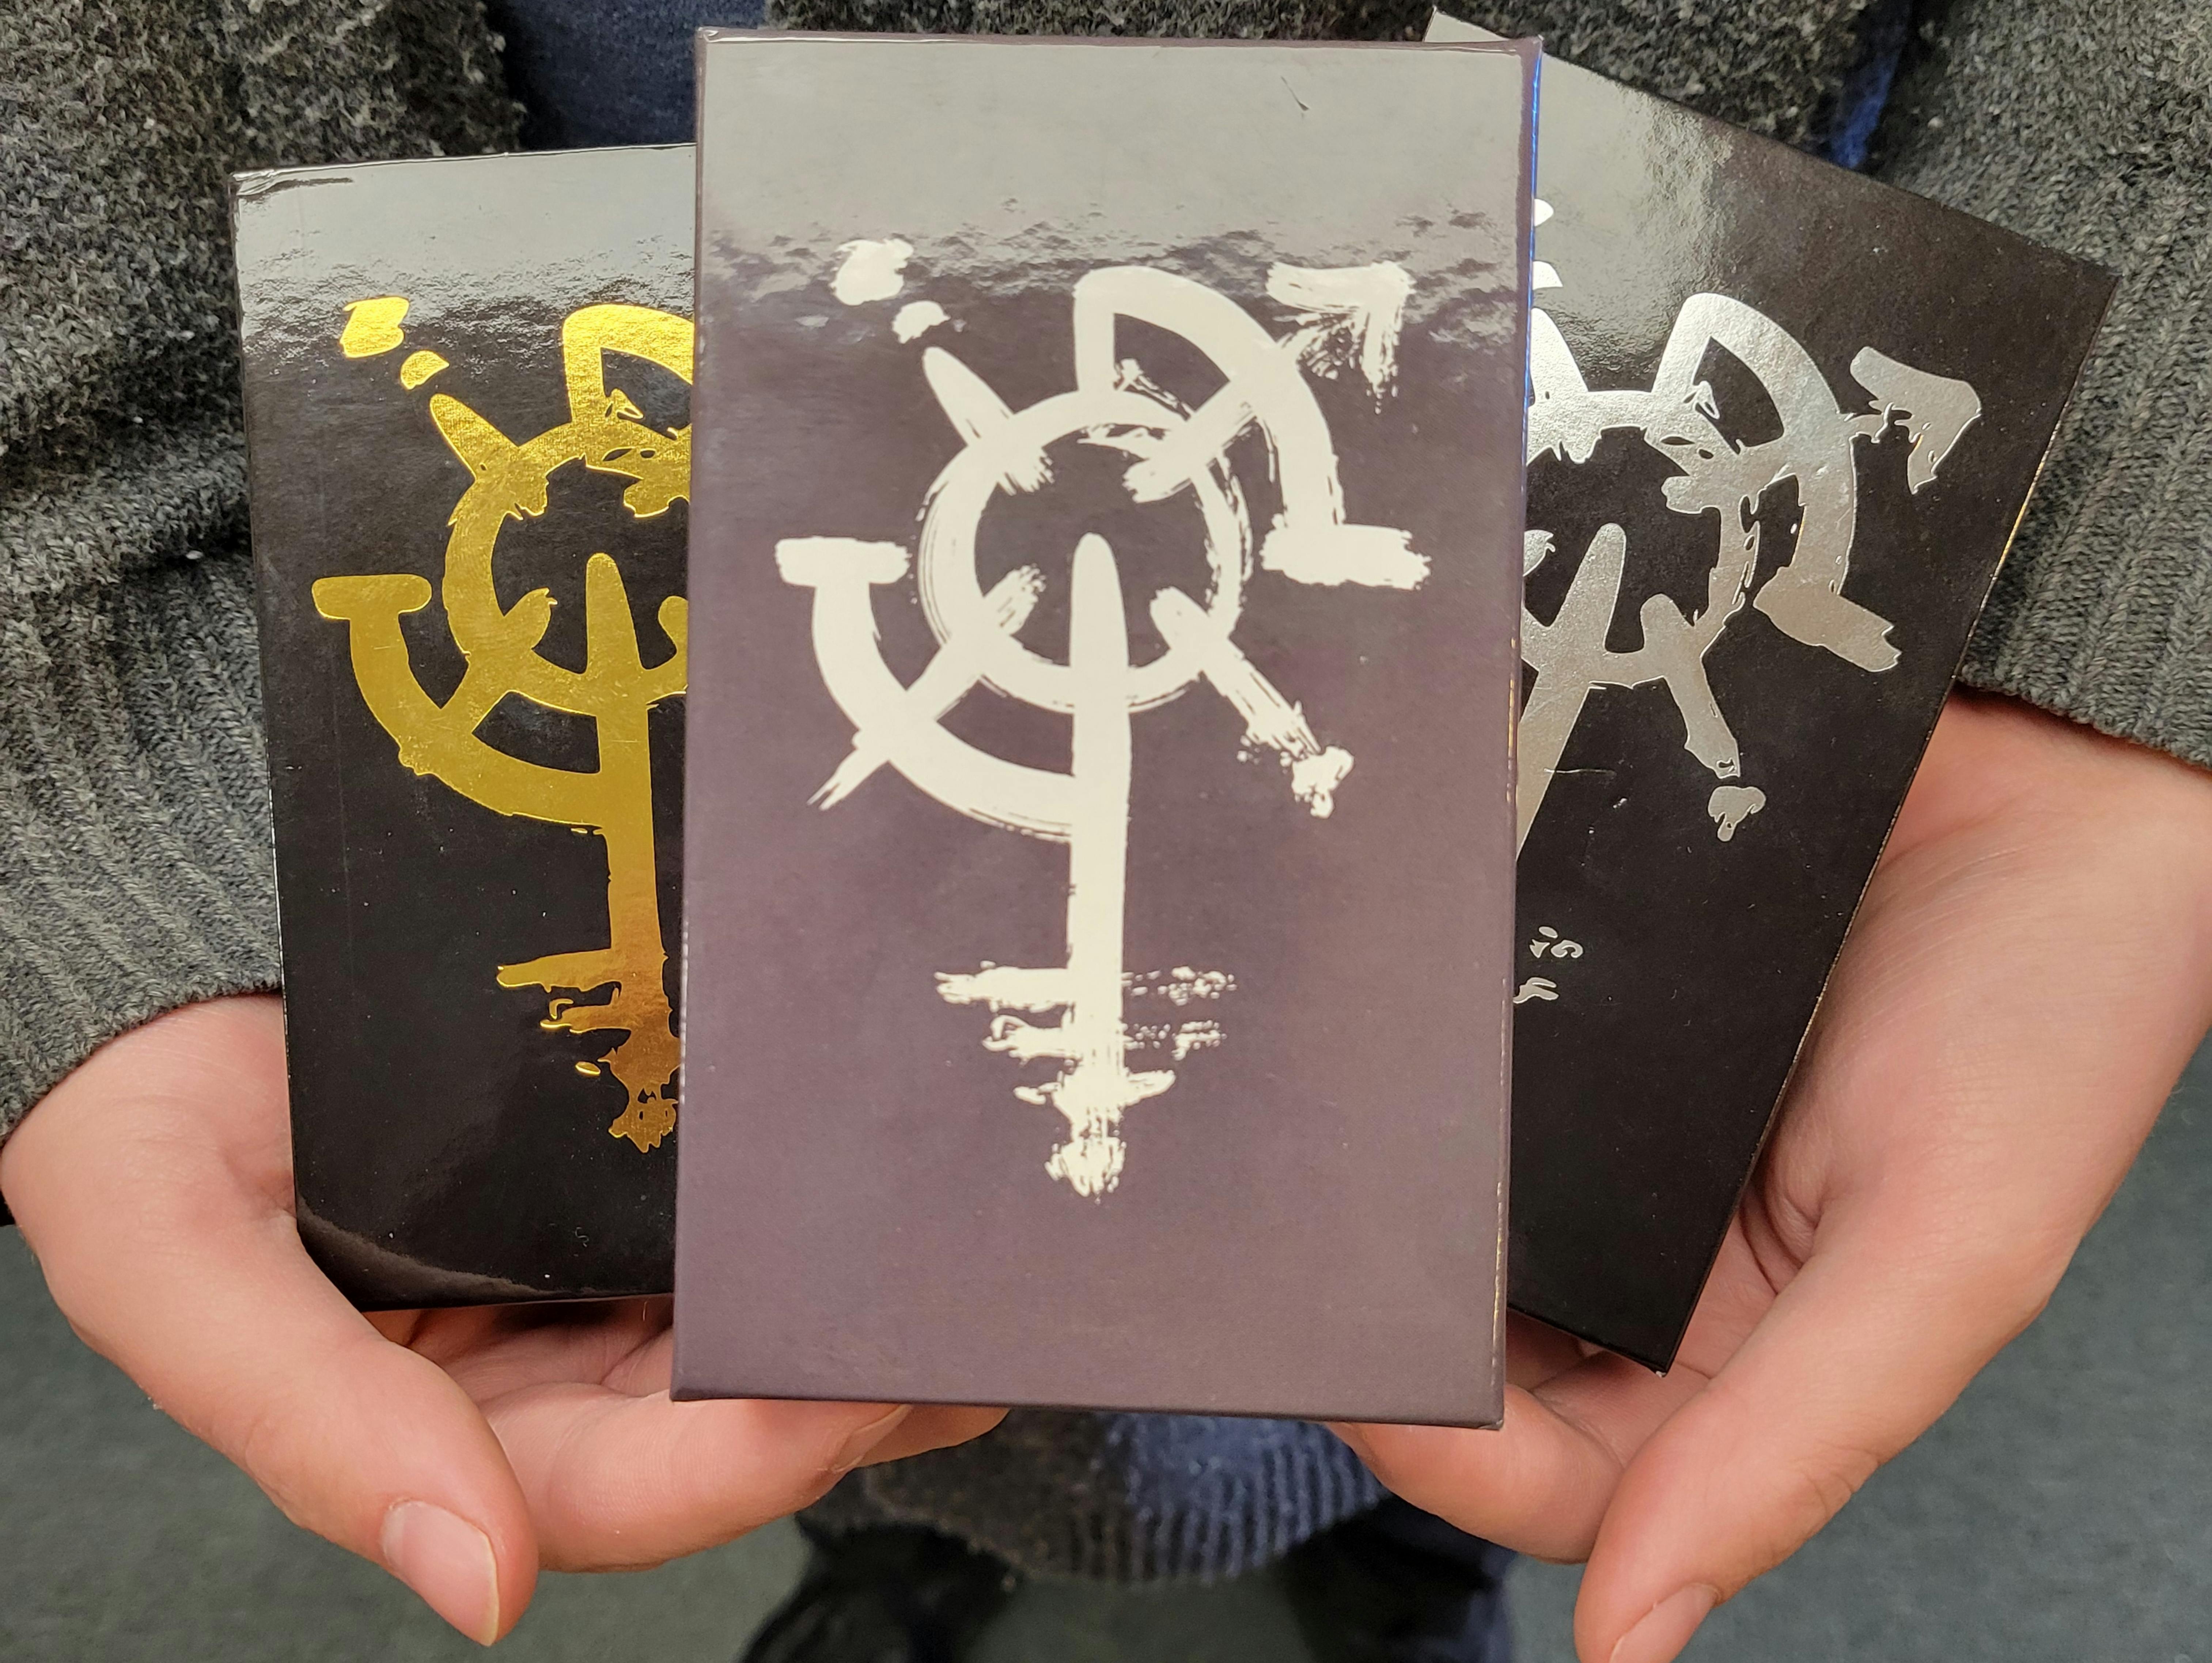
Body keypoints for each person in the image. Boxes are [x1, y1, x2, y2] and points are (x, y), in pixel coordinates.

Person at [3, 3, 2209, 1662]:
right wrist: (107, 671)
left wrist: (2087, 600)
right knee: (789, 1269)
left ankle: (1402, 1544)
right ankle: (906, 1530)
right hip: (656, 284)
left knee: (1480, 1262)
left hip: (1595, 362)